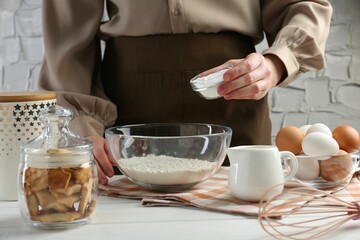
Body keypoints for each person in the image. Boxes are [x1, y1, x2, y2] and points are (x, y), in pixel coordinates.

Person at [38, 0, 333, 185]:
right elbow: (67, 34)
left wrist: (275, 63)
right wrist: (79, 125)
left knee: (241, 219)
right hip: (128, 106)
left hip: (233, 94)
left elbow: (302, 5)